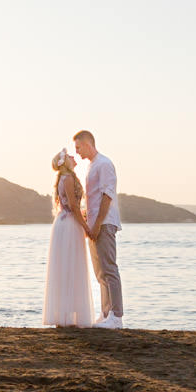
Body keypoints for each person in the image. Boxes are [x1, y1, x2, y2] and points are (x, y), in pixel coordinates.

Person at [73, 130, 123, 328]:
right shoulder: (92, 166)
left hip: (104, 223)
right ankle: (105, 314)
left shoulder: (104, 164)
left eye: (78, 148)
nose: (77, 152)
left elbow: (107, 196)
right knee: (100, 271)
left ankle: (116, 316)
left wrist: (97, 223)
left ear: (87, 144)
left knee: (109, 269)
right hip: (94, 224)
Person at [42, 148, 94, 328]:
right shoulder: (69, 178)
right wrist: (86, 226)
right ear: (65, 162)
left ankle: (64, 316)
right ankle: (70, 317)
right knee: (72, 266)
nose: (73, 156)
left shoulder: (63, 179)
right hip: (70, 224)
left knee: (65, 268)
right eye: (70, 156)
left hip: (62, 224)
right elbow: (73, 205)